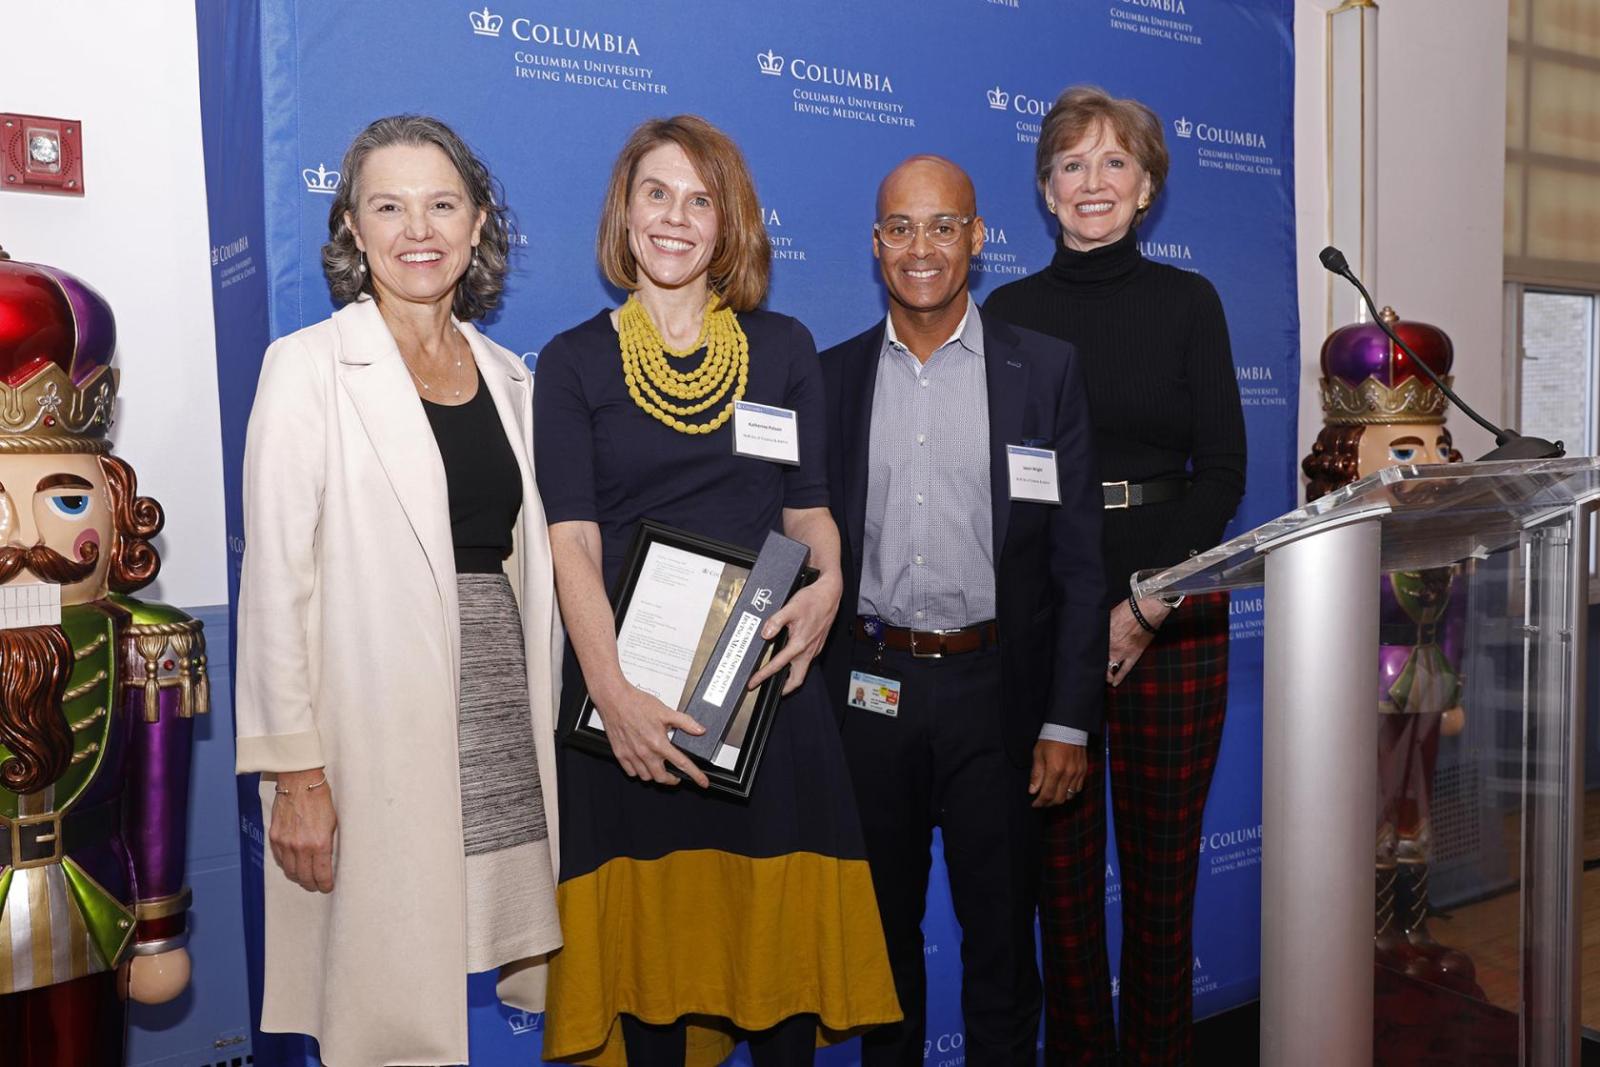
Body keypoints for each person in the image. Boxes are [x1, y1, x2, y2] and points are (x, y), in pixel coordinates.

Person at [534, 114, 899, 1067]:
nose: (676, 218)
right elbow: (571, 544)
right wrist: (614, 697)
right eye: (656, 193)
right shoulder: (573, 361)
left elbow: (808, 514)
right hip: (631, 697)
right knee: (654, 980)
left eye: (701, 200)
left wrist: (830, 583)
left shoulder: (782, 349)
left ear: (730, 222)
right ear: (625, 209)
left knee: (779, 979)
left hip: (764, 689)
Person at [235, 114, 561, 1066]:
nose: (418, 229)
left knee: (464, 952)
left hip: (497, 711)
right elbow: (276, 586)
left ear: (478, 222)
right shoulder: (306, 369)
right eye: (389, 206)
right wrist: (296, 774)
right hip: (366, 730)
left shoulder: (512, 378)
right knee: (384, 1008)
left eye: (442, 204)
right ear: (351, 228)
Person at [819, 154, 1105, 1066]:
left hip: (999, 695)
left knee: (999, 944)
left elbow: (1079, 561)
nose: (922, 247)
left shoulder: (1044, 372)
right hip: (870, 690)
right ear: (876, 245)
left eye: (944, 225)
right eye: (900, 227)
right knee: (882, 944)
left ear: (977, 238)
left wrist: (1067, 717)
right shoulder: (832, 378)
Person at [984, 86, 1247, 1066]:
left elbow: (1220, 473)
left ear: (1146, 189)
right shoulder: (1008, 311)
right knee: (1058, 894)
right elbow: (1008, 488)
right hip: (1050, 624)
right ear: (1046, 192)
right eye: (1070, 165)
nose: (1091, 183)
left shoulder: (1189, 303)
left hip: (1173, 614)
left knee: (1161, 888)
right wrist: (1077, 611)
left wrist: (1142, 601)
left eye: (1113, 164)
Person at [0, 255, 207, 1067]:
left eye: (66, 499)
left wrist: (157, 930)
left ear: (117, 508)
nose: (25, 539)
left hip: (88, 908)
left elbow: (159, 804)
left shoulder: (147, 642)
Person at [1303, 305, 1482, 1001]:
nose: (1427, 464)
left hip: (1428, 683)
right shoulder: (1346, 539)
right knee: (1375, 810)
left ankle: (1414, 928)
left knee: (1417, 808)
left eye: (1436, 447)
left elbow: (1457, 616)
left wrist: (1455, 689)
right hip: (1371, 685)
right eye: (1407, 450)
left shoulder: (1446, 535)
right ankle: (1372, 934)